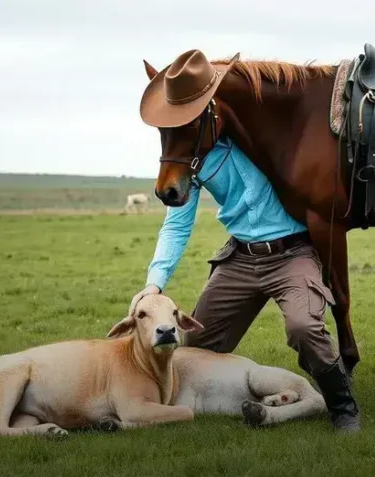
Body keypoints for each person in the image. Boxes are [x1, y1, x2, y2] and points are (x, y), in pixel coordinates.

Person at [131, 50, 361, 434]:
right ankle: (186, 401)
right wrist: (155, 283)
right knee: (195, 344)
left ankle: (343, 407)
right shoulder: (192, 156)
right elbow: (176, 226)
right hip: (239, 258)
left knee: (304, 328)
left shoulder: (265, 129)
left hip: (292, 253)